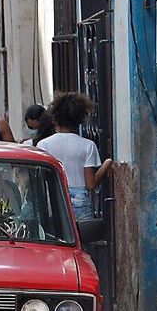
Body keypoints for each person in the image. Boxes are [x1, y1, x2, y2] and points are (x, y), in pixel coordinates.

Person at [36, 92, 113, 222]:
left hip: (52, 202)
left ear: (55, 117)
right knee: (82, 240)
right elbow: (91, 184)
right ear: (80, 118)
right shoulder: (88, 146)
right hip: (79, 204)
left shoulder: (43, 145)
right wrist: (107, 163)